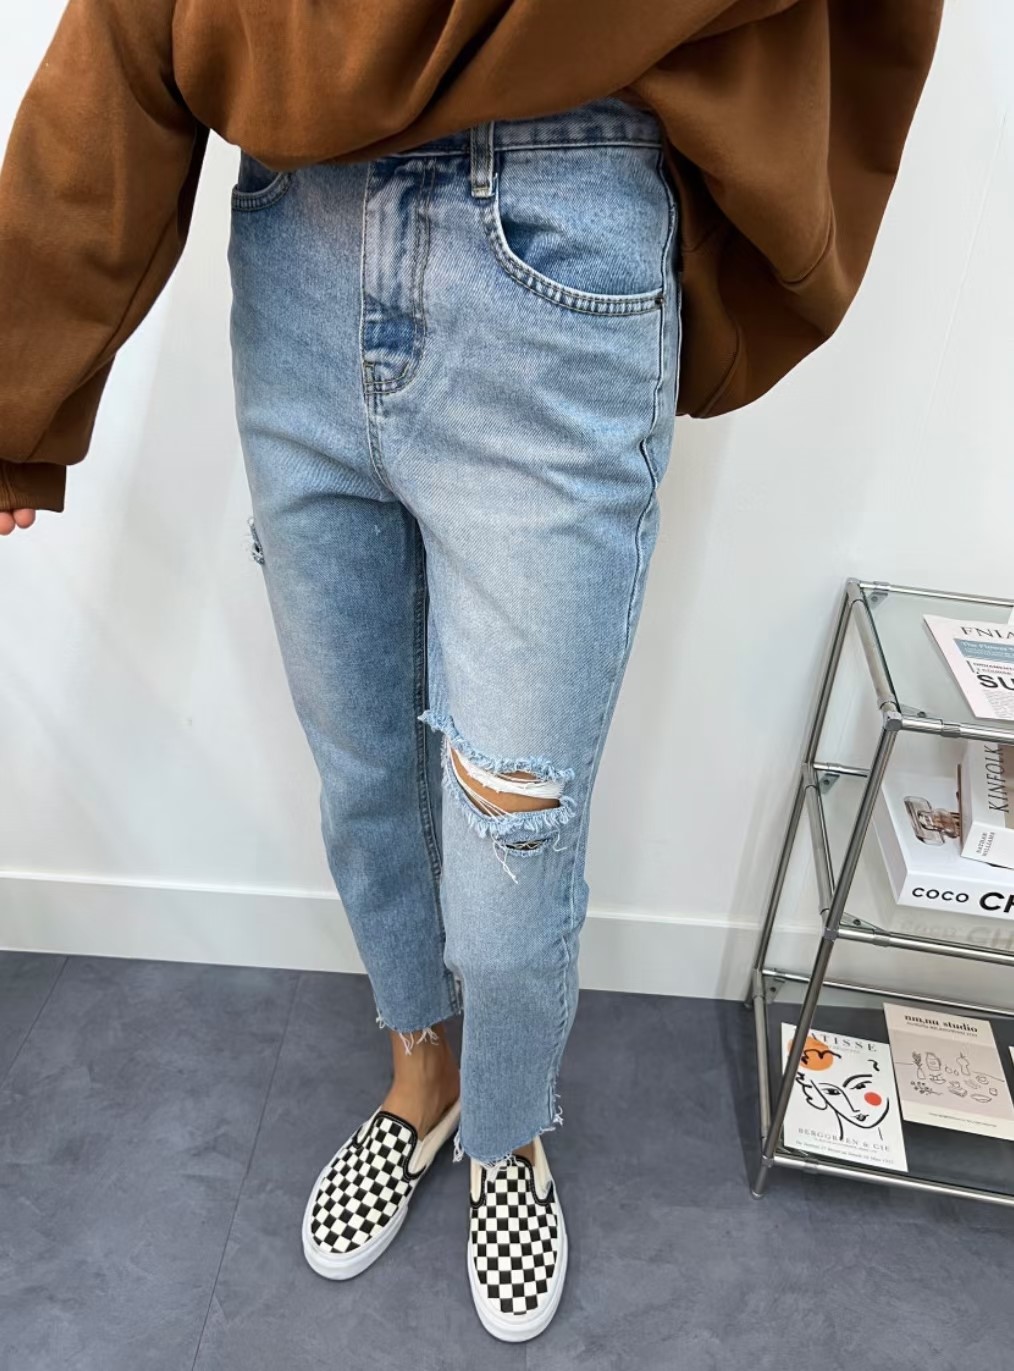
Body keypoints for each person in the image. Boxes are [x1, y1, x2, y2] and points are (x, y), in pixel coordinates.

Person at [0, 0, 942, 1343]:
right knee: (365, 777)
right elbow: (123, 33)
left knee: (516, 822)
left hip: (558, 237)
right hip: (297, 243)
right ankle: (422, 1080)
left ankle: (508, 1130)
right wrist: (17, 389)